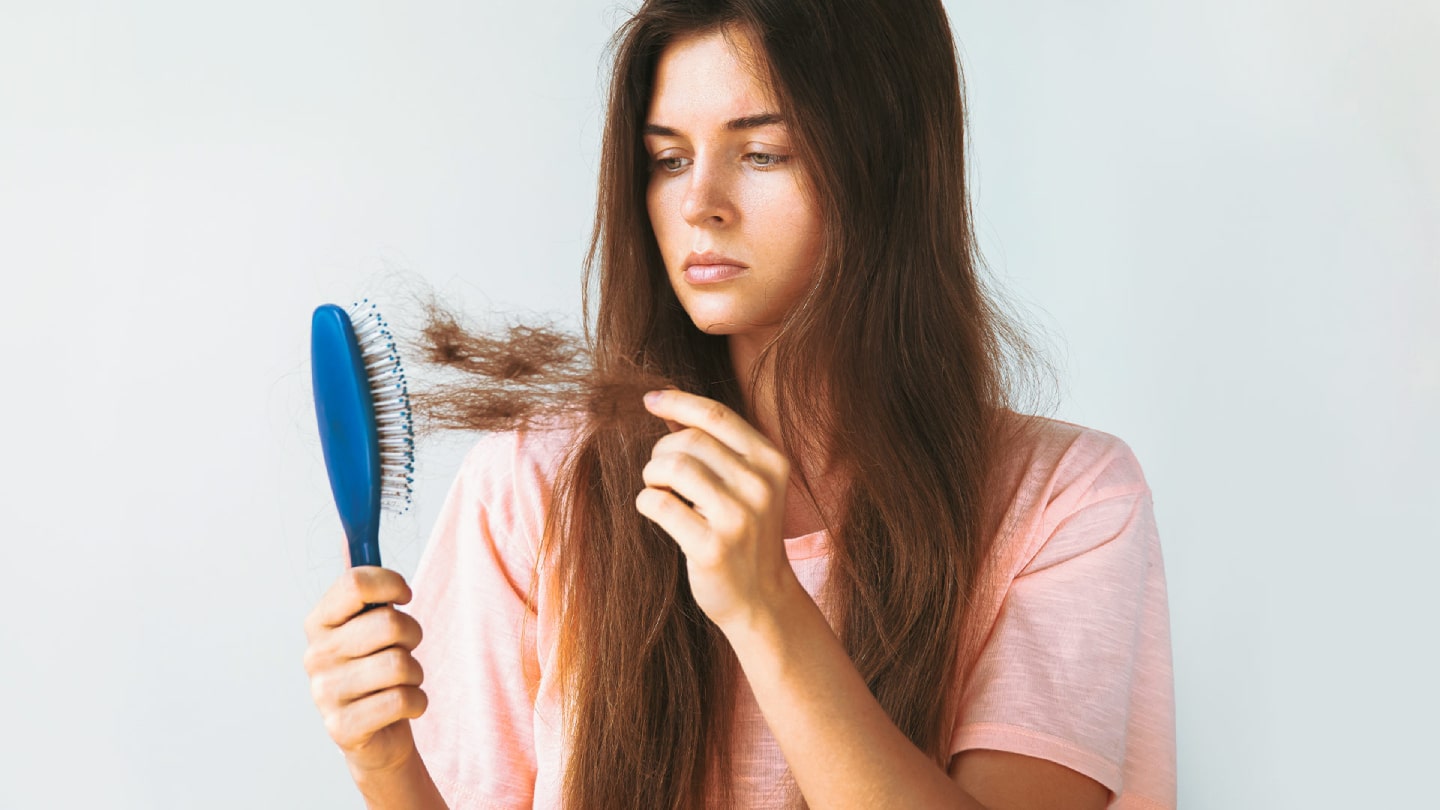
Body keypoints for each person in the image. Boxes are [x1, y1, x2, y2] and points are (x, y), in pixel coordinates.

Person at [302, 1, 1177, 807]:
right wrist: (385, 766)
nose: (698, 205)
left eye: (763, 152)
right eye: (668, 158)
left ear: (888, 166)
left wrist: (766, 607)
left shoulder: (1065, 500)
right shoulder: (533, 485)